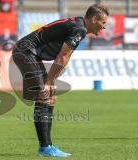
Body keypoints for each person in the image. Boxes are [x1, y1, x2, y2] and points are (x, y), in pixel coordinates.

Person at [12, 4, 109, 157]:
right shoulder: (79, 29)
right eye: (103, 22)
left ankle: (47, 147)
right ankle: (45, 148)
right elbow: (62, 57)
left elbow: (64, 57)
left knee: (49, 97)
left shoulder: (78, 25)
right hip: (25, 51)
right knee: (45, 95)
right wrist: (49, 82)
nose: (104, 27)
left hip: (27, 52)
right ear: (94, 19)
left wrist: (50, 81)